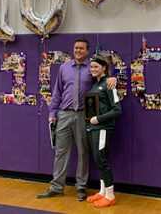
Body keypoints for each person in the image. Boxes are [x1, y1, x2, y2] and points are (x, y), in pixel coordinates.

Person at [36, 38, 116, 201]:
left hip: (83, 115)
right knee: (60, 151)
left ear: (87, 51)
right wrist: (52, 113)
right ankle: (57, 187)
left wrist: (112, 78)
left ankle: (81, 187)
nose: (78, 50)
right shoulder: (64, 68)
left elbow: (103, 78)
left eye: (81, 48)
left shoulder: (91, 68)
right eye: (76, 48)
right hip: (64, 114)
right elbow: (57, 91)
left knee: (83, 152)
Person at [86, 55, 121, 208]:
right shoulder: (96, 84)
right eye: (91, 66)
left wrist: (98, 120)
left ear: (104, 68)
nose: (93, 69)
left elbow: (117, 110)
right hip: (94, 128)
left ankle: (110, 195)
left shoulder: (109, 83)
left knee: (102, 161)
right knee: (99, 160)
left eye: (96, 67)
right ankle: (102, 193)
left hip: (103, 128)